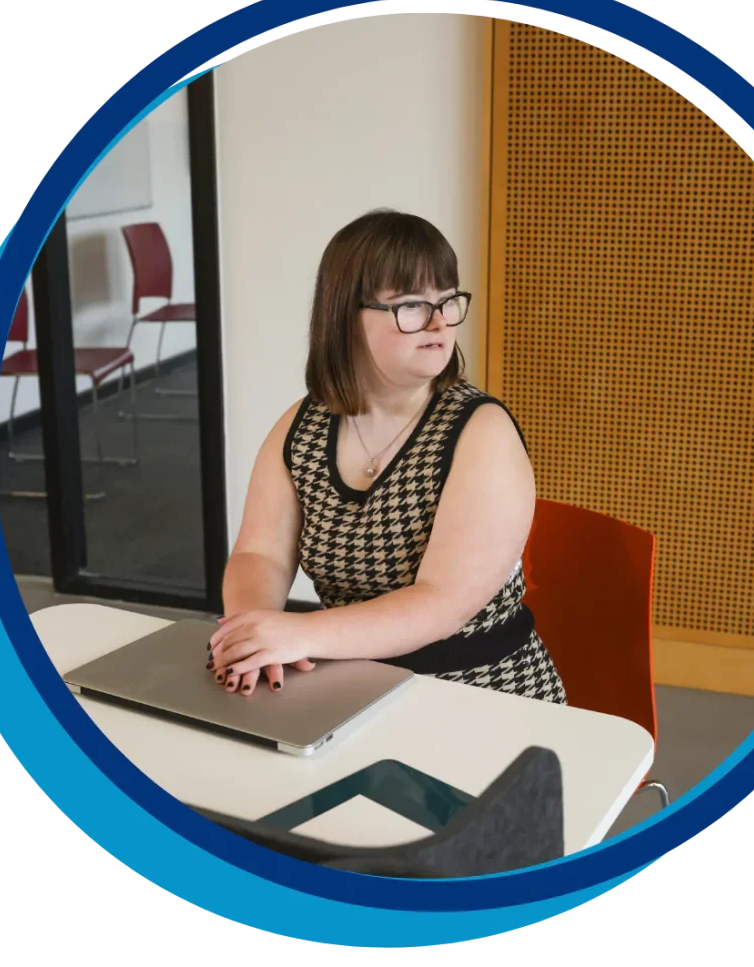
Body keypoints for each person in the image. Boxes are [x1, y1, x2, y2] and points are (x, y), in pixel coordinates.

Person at [207, 208, 567, 706]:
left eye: (447, 300)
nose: (440, 321)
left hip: (478, 689)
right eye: (412, 305)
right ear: (346, 316)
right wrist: (252, 634)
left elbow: (441, 604)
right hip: (348, 680)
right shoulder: (303, 425)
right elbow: (258, 555)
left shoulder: (482, 431)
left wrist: (300, 634)